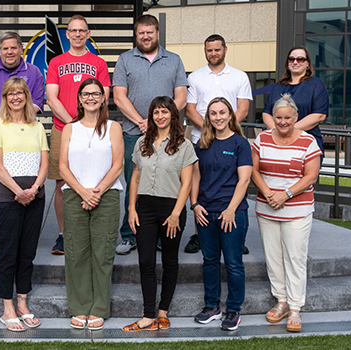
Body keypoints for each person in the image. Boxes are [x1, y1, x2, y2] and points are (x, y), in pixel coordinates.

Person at [113, 14, 188, 255]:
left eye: (150, 32)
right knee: (134, 183)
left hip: (168, 136)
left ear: (157, 33)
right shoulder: (125, 60)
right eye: (141, 33)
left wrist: (160, 123)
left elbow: (181, 97)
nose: (145, 36)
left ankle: (158, 234)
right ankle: (129, 234)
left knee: (167, 185)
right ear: (136, 35)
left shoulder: (174, 60)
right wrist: (141, 122)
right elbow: (119, 96)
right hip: (134, 134)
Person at [122, 96, 197, 332]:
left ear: (173, 115)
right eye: (156, 112)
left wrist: (176, 214)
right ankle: (147, 316)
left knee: (169, 261)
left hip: (171, 209)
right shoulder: (142, 143)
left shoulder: (184, 145)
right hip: (144, 207)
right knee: (145, 262)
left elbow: (186, 184)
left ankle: (162, 312)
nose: (160, 116)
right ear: (151, 116)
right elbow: (134, 177)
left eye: (165, 112)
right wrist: (131, 209)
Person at [252, 94, 322, 333]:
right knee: (273, 257)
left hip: (297, 209)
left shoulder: (308, 142)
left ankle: (295, 306)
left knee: (295, 258)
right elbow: (253, 169)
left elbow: (311, 176)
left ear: (296, 117)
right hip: (267, 206)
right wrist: (268, 193)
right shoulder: (261, 139)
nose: (282, 122)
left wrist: (286, 194)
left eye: (287, 118)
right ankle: (280, 300)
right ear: (273, 117)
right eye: (278, 117)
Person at [59, 78, 124, 331]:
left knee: (103, 252)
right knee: (75, 253)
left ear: (103, 98)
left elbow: (117, 164)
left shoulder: (113, 127)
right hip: (75, 195)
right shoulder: (70, 128)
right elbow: (63, 167)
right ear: (79, 98)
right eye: (86, 94)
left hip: (105, 195)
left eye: (96, 94)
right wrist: (83, 192)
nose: (91, 98)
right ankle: (79, 307)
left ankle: (98, 308)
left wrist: (96, 192)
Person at [0, 77, 49, 332]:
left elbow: (44, 163)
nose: (15, 97)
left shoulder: (36, 126)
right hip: (8, 198)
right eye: (10, 93)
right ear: (5, 97)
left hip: (35, 197)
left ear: (26, 96)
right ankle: (8, 307)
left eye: (20, 92)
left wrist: (33, 190)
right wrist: (19, 191)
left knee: (28, 253)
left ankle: (22, 302)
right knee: (8, 253)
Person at [45, 14, 111, 255]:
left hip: (93, 130)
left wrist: (86, 124)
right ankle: (64, 234)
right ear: (68, 34)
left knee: (93, 179)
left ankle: (90, 230)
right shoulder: (56, 62)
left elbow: (104, 96)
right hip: (64, 129)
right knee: (62, 183)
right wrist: (73, 123)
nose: (77, 34)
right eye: (73, 31)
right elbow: (52, 97)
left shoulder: (98, 63)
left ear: (88, 34)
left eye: (82, 30)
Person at [0, 31, 45, 252]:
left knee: (25, 187)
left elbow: (36, 104)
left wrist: (15, 124)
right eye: (5, 48)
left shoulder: (33, 72)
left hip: (25, 147)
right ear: (0, 50)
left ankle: (23, 230)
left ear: (21, 48)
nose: (9, 52)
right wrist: (5, 126)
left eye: (13, 47)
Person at [183, 34, 253, 254]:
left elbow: (242, 109)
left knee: (232, 181)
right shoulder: (195, 77)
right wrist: (210, 129)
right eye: (209, 50)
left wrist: (226, 128)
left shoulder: (240, 77)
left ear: (225, 49)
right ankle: (199, 234)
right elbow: (190, 109)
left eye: (217, 49)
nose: (213, 53)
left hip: (230, 139)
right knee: (201, 184)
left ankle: (235, 234)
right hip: (201, 139)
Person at [190, 98, 252, 331]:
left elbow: (244, 179)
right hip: (206, 213)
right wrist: (195, 204)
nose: (218, 117)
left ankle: (233, 311)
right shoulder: (202, 144)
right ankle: (212, 307)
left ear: (230, 115)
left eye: (222, 112)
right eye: (213, 113)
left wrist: (230, 209)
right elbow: (196, 177)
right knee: (210, 262)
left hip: (232, 215)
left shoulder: (240, 144)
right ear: (208, 117)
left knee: (234, 264)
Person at [262, 46, 328, 160]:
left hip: (306, 145)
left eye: (300, 59)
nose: (295, 62)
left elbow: (319, 115)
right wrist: (278, 131)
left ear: (307, 64)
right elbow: (266, 112)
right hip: (277, 145)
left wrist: (288, 130)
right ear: (287, 63)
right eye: (291, 59)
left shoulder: (316, 84)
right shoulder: (278, 86)